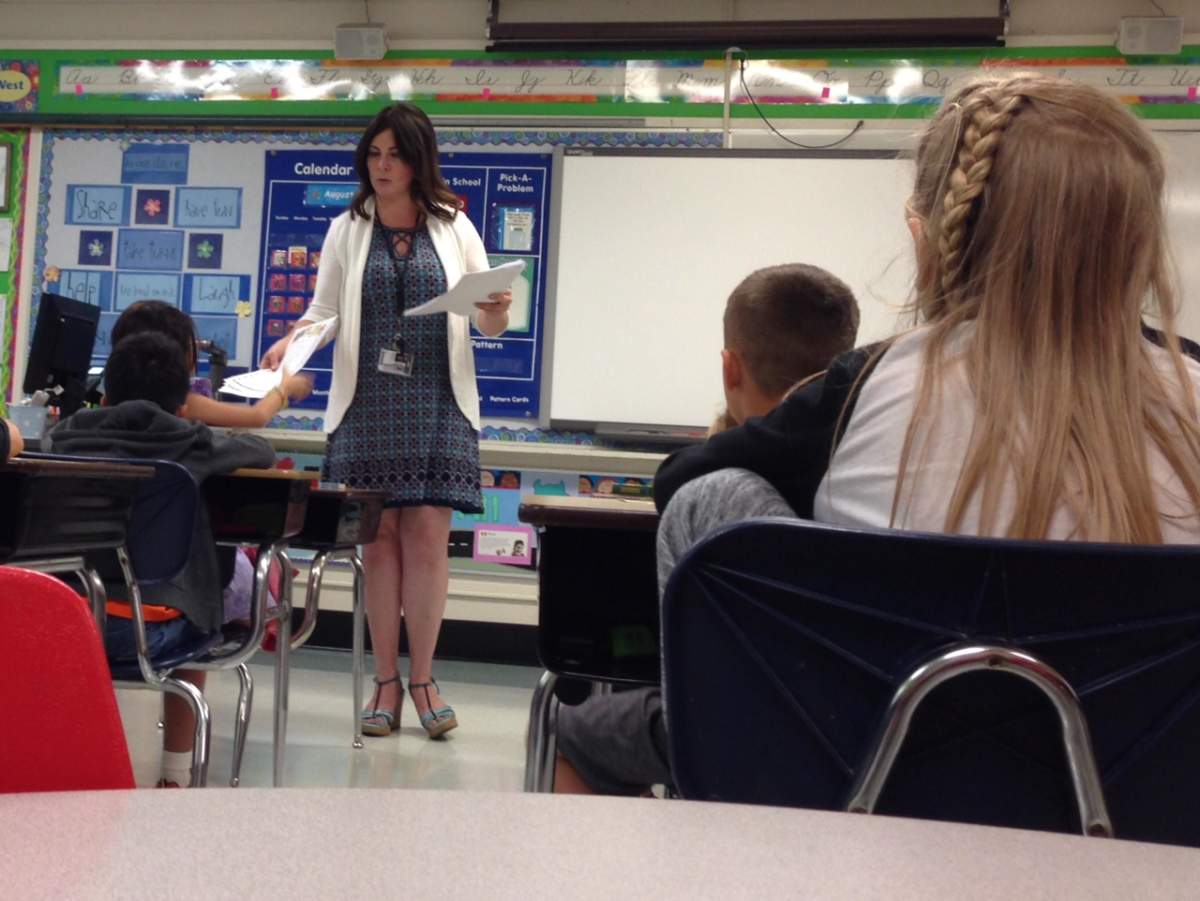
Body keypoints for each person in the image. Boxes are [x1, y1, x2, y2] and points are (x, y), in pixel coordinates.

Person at [563, 73, 1200, 797]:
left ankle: (714, 794)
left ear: (927, 241)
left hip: (878, 791)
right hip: (1146, 811)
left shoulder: (868, 385)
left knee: (711, 497)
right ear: (1141, 244)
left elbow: (679, 480)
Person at [554, 263, 860, 795]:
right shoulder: (875, 450)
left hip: (749, 743)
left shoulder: (715, 486)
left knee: (575, 731)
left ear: (730, 368)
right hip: (878, 722)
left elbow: (677, 480)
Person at [260, 102, 513, 739]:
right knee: (378, 543)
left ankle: (424, 677)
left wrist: (496, 309)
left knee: (427, 537)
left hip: (437, 398)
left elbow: (489, 321)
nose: (382, 166)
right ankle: (385, 682)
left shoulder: (454, 224)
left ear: (418, 159)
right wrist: (290, 348)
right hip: (367, 402)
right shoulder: (348, 227)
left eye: (395, 155)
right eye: (373, 154)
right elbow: (322, 311)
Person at [48, 331, 276, 787]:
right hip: (158, 634)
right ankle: (175, 774)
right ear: (182, 404)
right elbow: (262, 451)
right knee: (196, 601)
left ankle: (64, 766)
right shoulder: (194, 443)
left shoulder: (64, 439)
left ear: (106, 394)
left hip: (71, 628)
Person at [108, 300, 309, 627]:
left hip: (88, 594)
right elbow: (257, 424)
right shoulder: (187, 432)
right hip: (171, 593)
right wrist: (283, 390)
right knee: (233, 572)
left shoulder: (69, 435)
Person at [111, 300, 313, 428]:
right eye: (192, 347)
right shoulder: (182, 401)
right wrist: (284, 388)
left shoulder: (112, 396)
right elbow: (256, 417)